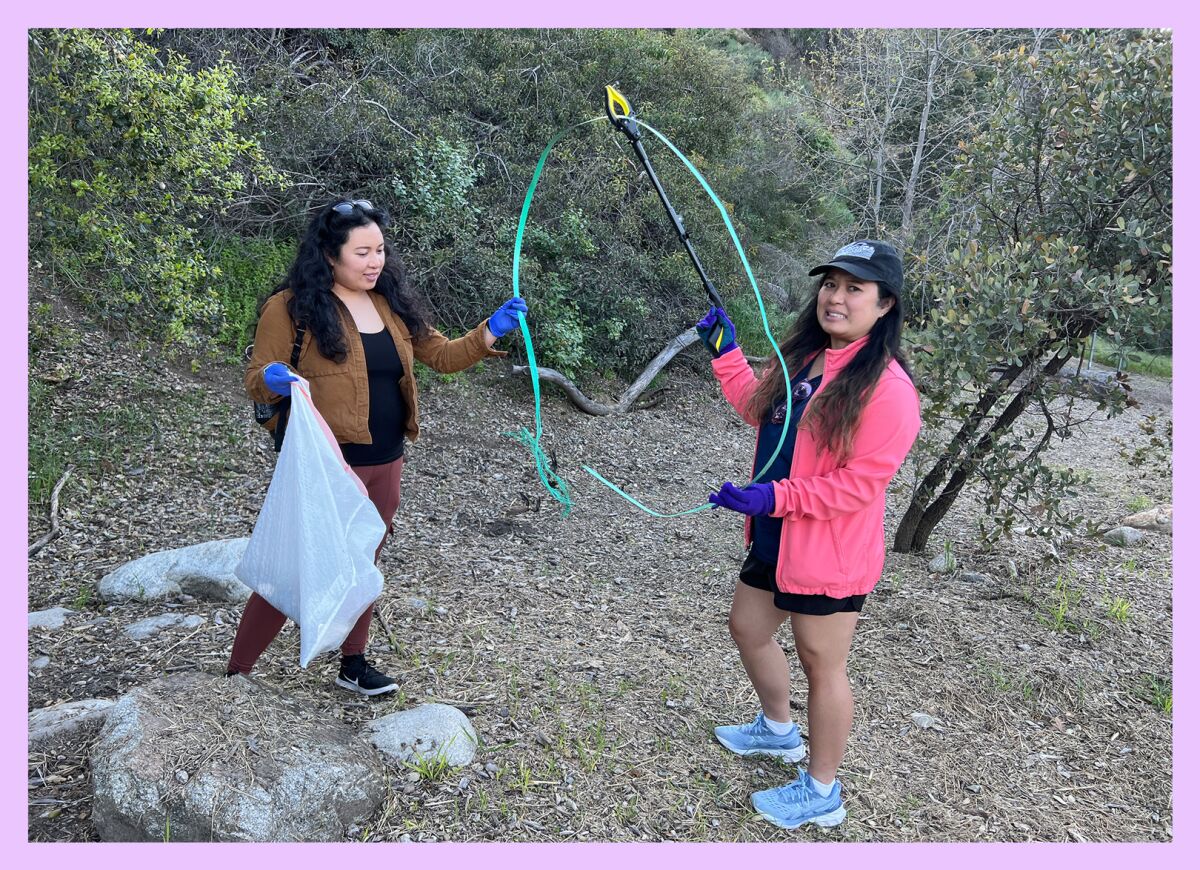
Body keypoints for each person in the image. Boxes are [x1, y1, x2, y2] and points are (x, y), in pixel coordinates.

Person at [228, 198, 529, 696]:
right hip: (324, 467)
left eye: (380, 250)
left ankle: (353, 664)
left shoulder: (389, 301)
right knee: (297, 564)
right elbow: (257, 377)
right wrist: (275, 379)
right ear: (329, 254)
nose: (375, 262)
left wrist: (489, 331)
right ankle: (238, 673)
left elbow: (443, 355)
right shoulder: (289, 308)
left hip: (386, 461)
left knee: (363, 563)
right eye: (362, 252)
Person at [695, 239, 920, 829]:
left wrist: (775, 496)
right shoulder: (801, 356)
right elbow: (755, 406)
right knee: (747, 626)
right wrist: (727, 354)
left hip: (829, 553)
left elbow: (858, 486)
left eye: (854, 289)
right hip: (775, 535)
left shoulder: (889, 390)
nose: (835, 298)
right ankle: (776, 729)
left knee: (823, 664)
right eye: (830, 284)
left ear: (884, 304)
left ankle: (822, 791)